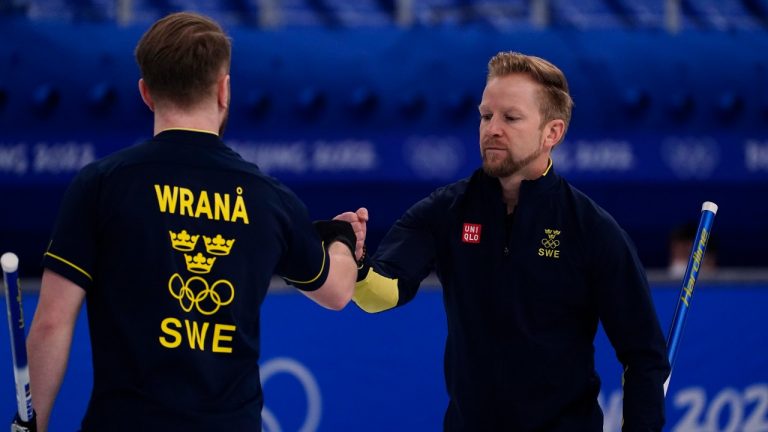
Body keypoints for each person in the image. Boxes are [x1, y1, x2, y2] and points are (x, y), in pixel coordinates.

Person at [25, 12, 360, 432]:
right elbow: (337, 291)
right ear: (224, 90)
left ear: (146, 93)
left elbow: (53, 320)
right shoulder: (268, 198)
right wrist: (343, 238)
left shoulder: (102, 184)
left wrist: (32, 423)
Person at [339, 52, 671, 431]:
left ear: (553, 133)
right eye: (485, 116)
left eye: (510, 118)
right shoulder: (446, 210)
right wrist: (358, 265)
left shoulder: (593, 229)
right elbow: (381, 293)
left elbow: (644, 356)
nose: (492, 129)